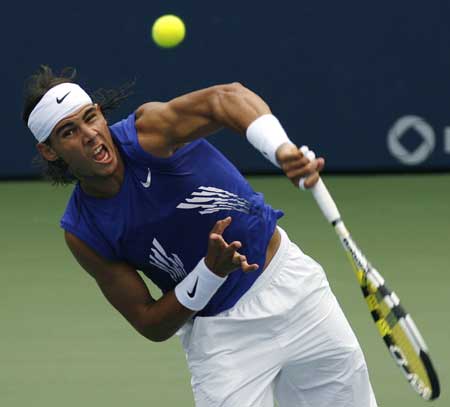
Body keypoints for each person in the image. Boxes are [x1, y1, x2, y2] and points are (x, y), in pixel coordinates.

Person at [23, 65, 378, 407]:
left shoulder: (149, 133)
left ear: (101, 114)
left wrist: (280, 149)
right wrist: (209, 273)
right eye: (68, 132)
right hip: (222, 340)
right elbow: (149, 321)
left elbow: (226, 98)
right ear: (49, 151)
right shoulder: (84, 231)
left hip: (296, 291)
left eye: (90, 117)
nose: (89, 134)